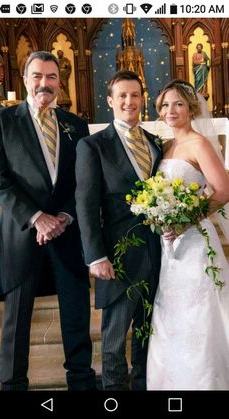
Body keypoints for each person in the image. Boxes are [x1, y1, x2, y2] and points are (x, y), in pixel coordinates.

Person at [0, 51, 96, 391]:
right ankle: (12, 384)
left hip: (67, 235)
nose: (44, 83)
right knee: (16, 319)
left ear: (59, 81)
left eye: (51, 77)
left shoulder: (75, 124)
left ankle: (81, 380)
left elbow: (83, 181)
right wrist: (37, 218)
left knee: (76, 312)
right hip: (22, 235)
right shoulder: (2, 122)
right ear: (24, 79)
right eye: (37, 76)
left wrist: (64, 216)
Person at [75, 70, 162, 390]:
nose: (129, 101)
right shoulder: (92, 146)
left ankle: (142, 385)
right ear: (110, 101)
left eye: (135, 95)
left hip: (157, 253)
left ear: (143, 99)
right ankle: (112, 392)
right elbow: (85, 204)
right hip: (118, 256)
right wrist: (96, 256)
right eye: (122, 96)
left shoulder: (155, 144)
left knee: (147, 331)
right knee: (114, 338)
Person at [146, 79, 229, 390]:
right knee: (172, 310)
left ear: (192, 108)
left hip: (194, 240)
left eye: (178, 104)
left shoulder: (198, 143)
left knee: (198, 310)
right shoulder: (165, 146)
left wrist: (185, 221)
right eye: (165, 104)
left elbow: (223, 190)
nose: (171, 110)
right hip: (168, 245)